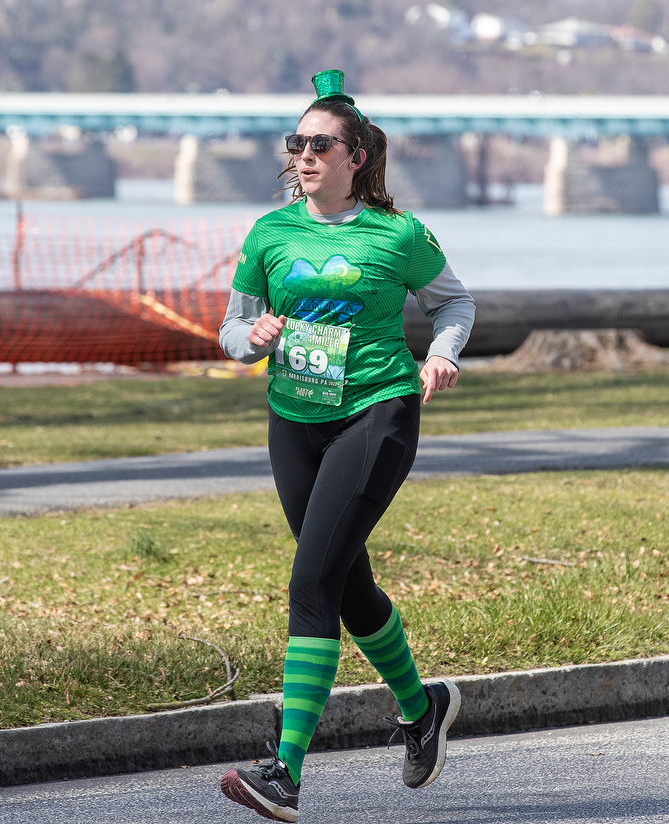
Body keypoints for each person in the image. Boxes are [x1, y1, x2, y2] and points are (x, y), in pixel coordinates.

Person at [216, 70, 476, 823]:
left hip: (376, 412)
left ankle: (285, 771)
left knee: (311, 583)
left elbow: (453, 300)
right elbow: (233, 328)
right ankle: (421, 707)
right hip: (294, 417)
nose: (304, 156)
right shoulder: (270, 233)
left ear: (355, 156)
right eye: (296, 143)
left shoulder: (398, 235)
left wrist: (443, 353)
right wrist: (250, 338)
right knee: (347, 584)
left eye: (319, 144)